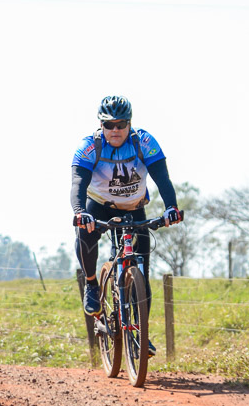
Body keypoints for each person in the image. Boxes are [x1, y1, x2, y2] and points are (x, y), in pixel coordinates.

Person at [70, 95, 183, 330]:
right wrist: (80, 211)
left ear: (129, 124)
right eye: (109, 125)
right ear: (101, 125)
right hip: (100, 206)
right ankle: (91, 284)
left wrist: (171, 207)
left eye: (121, 124)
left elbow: (162, 177)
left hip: (135, 208)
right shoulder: (89, 146)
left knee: (141, 269)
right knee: (84, 232)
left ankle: (141, 333)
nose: (115, 130)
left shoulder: (144, 141)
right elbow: (78, 182)